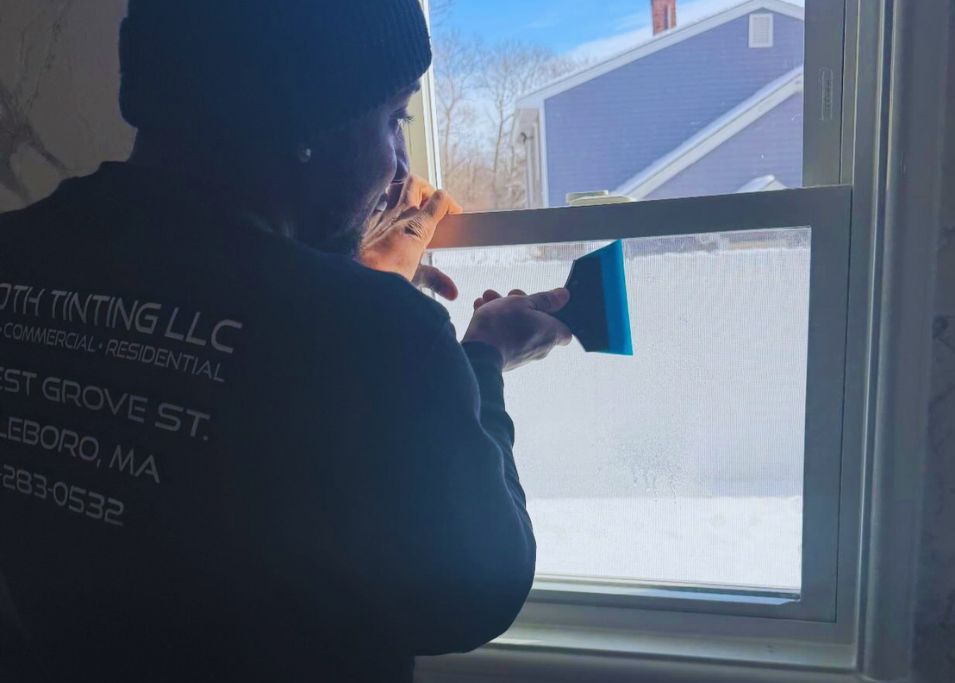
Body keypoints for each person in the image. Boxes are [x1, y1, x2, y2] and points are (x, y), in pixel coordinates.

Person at [0, 1, 572, 681]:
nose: (400, 170)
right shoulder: (374, 330)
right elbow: (479, 590)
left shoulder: (19, 255)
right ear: (305, 118)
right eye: (395, 119)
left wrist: (341, 281)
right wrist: (482, 357)